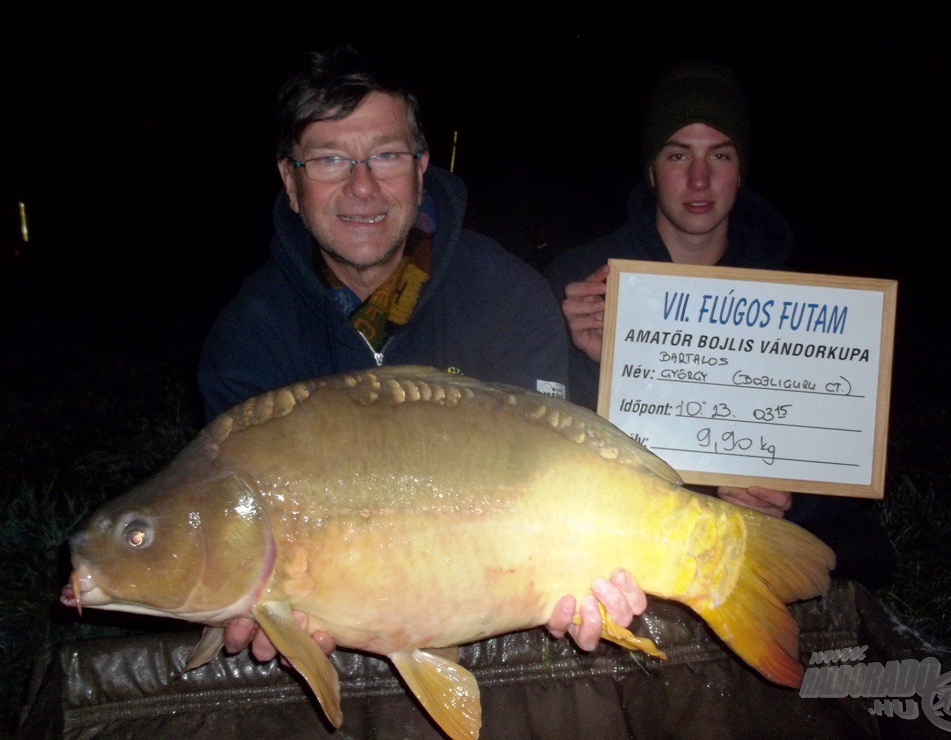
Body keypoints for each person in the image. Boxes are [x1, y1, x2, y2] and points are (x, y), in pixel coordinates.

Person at [196, 45, 643, 662]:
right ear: (290, 181)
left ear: (422, 167)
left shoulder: (509, 296)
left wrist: (589, 581)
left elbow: (555, 486)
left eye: (385, 155)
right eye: (329, 159)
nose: (361, 186)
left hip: (507, 630)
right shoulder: (249, 341)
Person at [544, 58, 895, 590]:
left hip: (743, 555)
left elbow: (837, 466)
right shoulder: (578, 282)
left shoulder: (796, 304)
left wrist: (788, 497)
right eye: (678, 154)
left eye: (721, 155)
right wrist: (586, 359)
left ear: (742, 168)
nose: (700, 179)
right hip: (617, 552)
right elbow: (541, 463)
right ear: (650, 168)